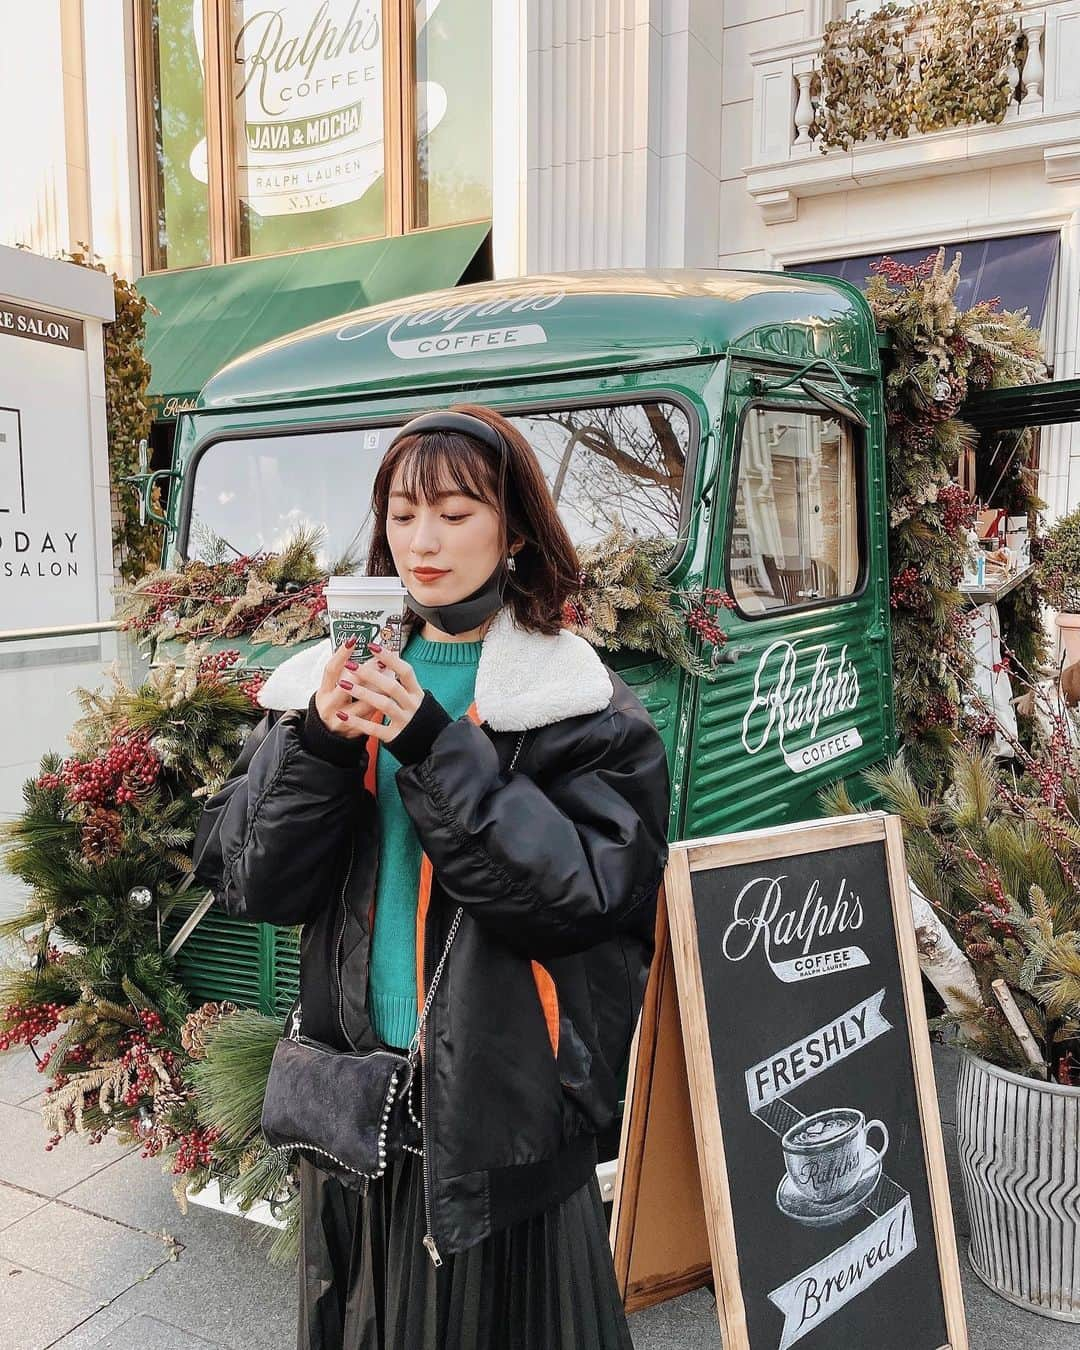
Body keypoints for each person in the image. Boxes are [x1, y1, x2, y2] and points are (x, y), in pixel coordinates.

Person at [191, 404, 671, 1350]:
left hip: (502, 1113)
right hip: (360, 1100)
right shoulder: (328, 683)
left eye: (456, 513)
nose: (424, 541)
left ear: (517, 529)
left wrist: (430, 745)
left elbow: (578, 898)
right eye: (404, 514)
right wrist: (322, 744)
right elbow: (254, 882)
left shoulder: (578, 702)